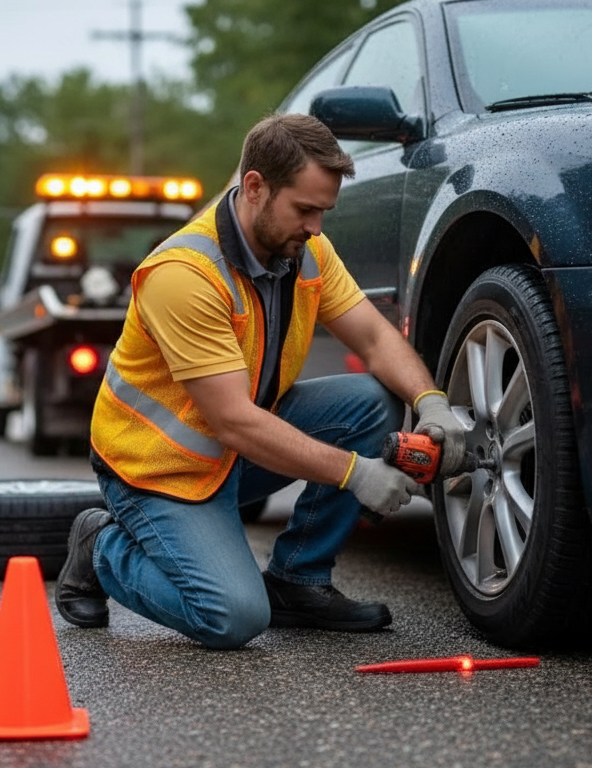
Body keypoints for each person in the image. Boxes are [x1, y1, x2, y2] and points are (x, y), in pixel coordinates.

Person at [55, 113, 466, 650]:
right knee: (234, 617)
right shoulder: (184, 274)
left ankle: (299, 579)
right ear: (254, 187)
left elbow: (374, 338)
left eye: (324, 211)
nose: (316, 226)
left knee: (372, 400)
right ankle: (102, 544)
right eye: (305, 209)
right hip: (159, 469)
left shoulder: (308, 251)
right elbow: (232, 420)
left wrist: (432, 403)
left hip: (235, 450)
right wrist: (355, 474)